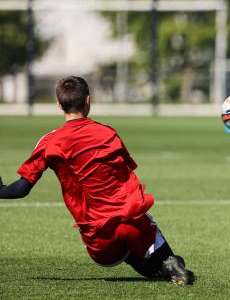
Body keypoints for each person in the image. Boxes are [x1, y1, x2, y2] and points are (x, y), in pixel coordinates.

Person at [0, 76, 194, 285]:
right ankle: (170, 263)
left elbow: (21, 189)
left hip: (99, 243)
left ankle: (158, 265)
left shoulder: (49, 142)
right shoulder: (108, 133)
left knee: (145, 269)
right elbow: (125, 175)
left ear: (58, 105)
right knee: (144, 223)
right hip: (131, 225)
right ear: (88, 100)